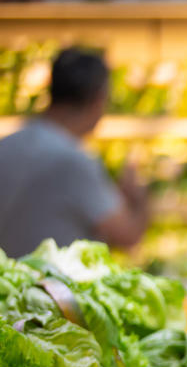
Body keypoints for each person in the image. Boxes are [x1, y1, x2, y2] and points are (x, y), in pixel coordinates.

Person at [0, 47, 149, 258]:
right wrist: (137, 195)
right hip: (55, 288)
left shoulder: (6, 147)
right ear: (99, 98)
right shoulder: (73, 162)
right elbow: (127, 235)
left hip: (10, 287)